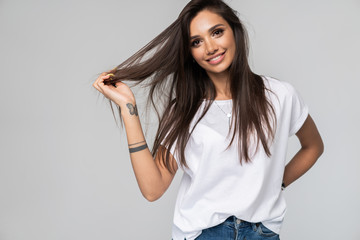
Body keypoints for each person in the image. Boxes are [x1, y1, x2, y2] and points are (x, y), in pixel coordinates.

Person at [92, 0, 324, 239]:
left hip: (261, 232)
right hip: (203, 234)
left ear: (235, 31)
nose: (210, 47)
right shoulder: (185, 110)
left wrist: (276, 184)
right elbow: (153, 189)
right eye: (197, 42)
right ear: (190, 52)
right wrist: (128, 109)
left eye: (216, 32)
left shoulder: (279, 95)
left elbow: (313, 146)